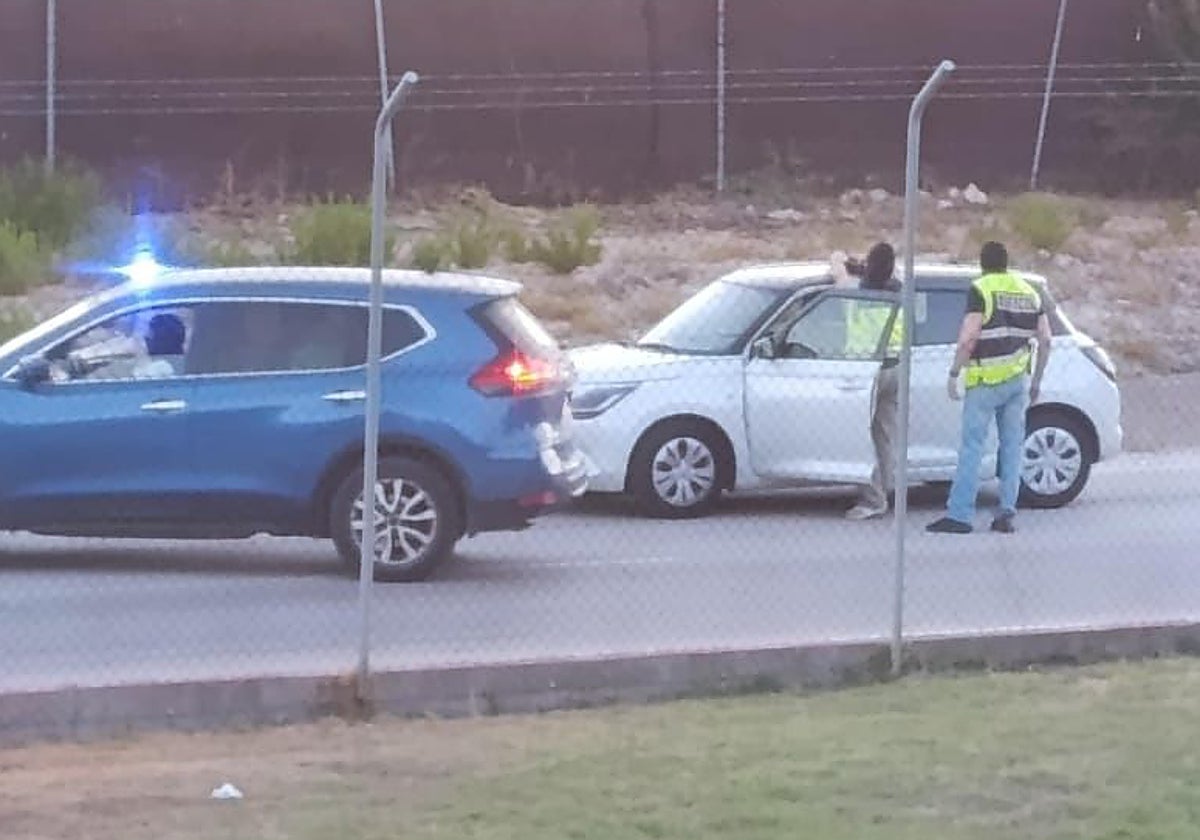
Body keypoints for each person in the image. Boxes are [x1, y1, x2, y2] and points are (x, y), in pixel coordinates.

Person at [927, 242, 1052, 534]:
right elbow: (1045, 340)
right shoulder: (1029, 291)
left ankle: (960, 515)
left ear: (983, 264)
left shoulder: (981, 289)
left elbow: (969, 338)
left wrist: (954, 372)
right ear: (1006, 263)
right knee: (1011, 447)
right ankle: (1006, 513)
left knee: (972, 447)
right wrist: (1036, 382)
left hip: (984, 381)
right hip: (1017, 381)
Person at [845, 242, 902, 521]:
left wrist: (840, 262)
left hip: (869, 372)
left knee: (861, 436)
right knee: (884, 436)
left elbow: (842, 279)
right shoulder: (897, 290)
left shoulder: (863, 294)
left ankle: (872, 498)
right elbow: (878, 275)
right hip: (895, 367)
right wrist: (861, 266)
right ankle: (885, 490)